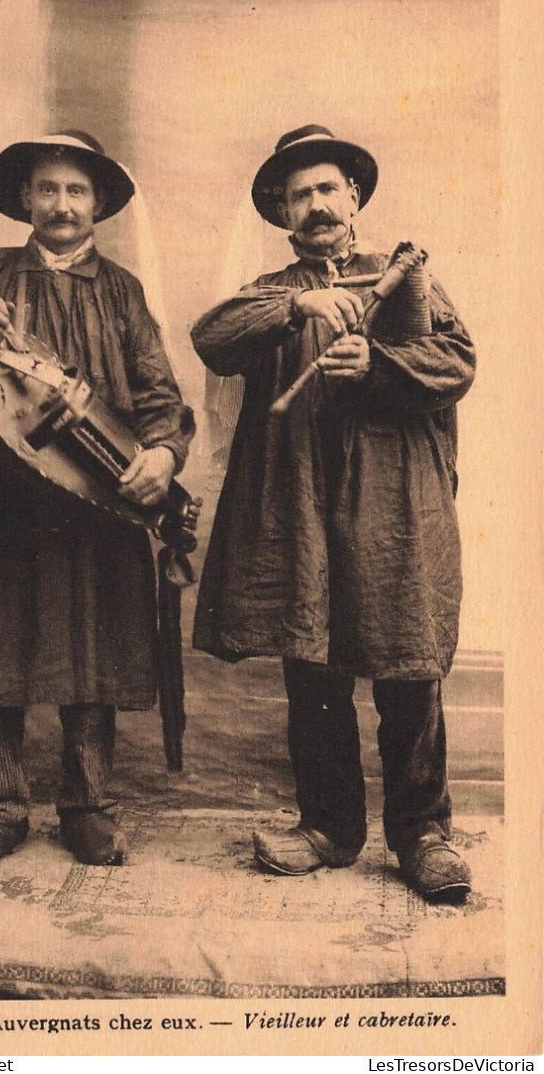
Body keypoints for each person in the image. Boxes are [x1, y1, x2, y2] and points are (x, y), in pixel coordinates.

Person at [190, 125, 476, 901]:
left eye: (327, 189)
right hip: (301, 504)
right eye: (298, 195)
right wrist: (299, 306)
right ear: (282, 212)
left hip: (393, 503)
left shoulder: (404, 275)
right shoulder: (270, 290)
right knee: (311, 664)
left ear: (354, 196)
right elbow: (210, 339)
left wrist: (376, 363)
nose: (315, 205)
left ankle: (423, 834)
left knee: (408, 666)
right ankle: (330, 827)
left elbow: (457, 361)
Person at [0, 131, 194, 872]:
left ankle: (87, 804)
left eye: (76, 191)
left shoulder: (122, 290)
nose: (61, 205)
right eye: (48, 189)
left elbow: (160, 394)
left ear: (97, 203)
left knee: (90, 639)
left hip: (92, 499)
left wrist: (161, 454)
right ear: (25, 199)